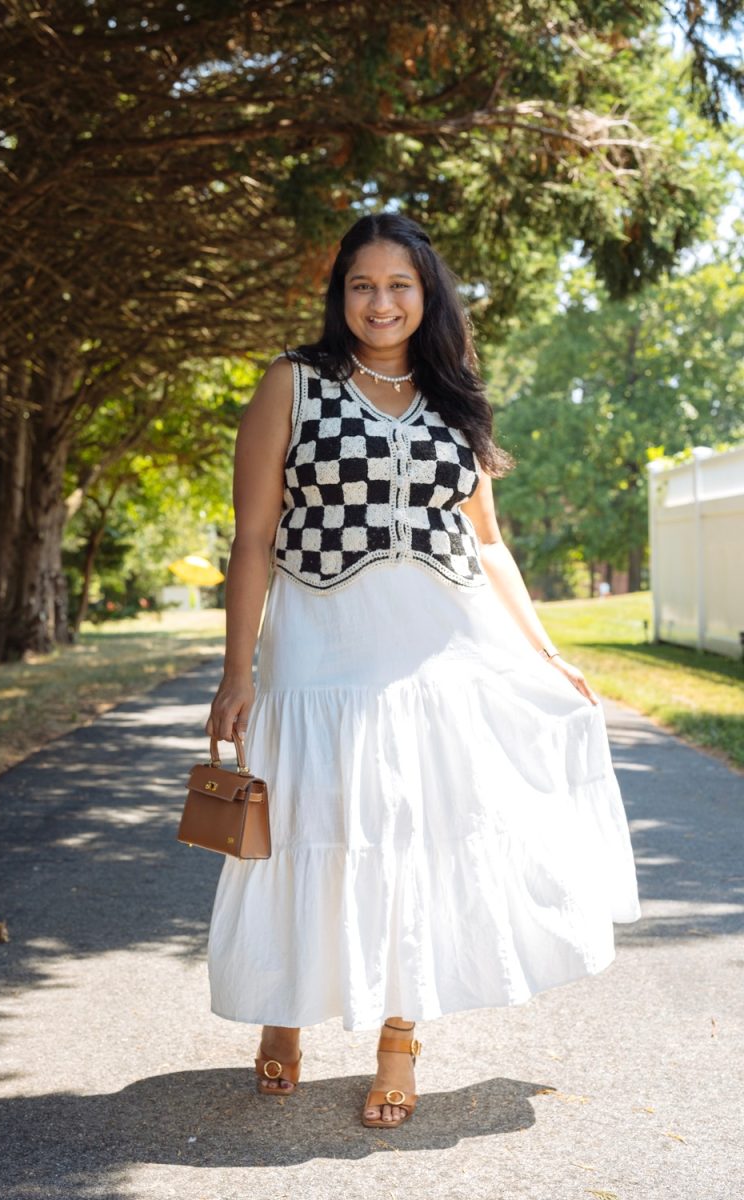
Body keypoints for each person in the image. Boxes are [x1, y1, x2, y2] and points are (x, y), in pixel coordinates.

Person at [205, 212, 640, 1129]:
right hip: (322, 641)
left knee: (415, 832)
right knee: (314, 823)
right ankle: (283, 1014)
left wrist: (547, 651)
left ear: (426, 294)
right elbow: (251, 538)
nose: (381, 302)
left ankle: (399, 1037)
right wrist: (236, 670)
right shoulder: (294, 383)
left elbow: (489, 544)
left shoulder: (455, 394)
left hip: (441, 644)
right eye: (363, 284)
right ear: (341, 294)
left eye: (399, 285)